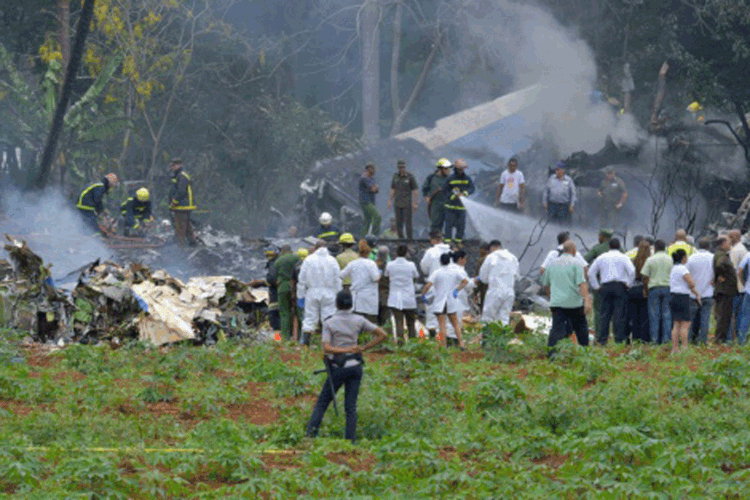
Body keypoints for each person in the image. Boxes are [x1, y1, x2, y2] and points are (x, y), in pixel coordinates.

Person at [305, 290, 387, 443]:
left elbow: (327, 348)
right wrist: (363, 348)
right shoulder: (359, 320)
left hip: (337, 367)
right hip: (355, 366)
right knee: (351, 406)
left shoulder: (329, 322)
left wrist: (344, 350)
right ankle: (351, 441)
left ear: (336, 304)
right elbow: (382, 334)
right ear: (351, 304)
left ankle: (310, 437)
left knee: (322, 403)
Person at [541, 241, 592, 351]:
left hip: (557, 303)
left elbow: (546, 284)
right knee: (581, 327)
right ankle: (585, 351)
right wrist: (587, 300)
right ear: (574, 251)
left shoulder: (551, 264)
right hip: (574, 303)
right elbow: (582, 283)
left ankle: (552, 353)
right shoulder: (577, 263)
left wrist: (551, 296)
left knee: (556, 328)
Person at [588, 238, 635, 345]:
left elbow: (591, 272)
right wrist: (628, 284)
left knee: (604, 314)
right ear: (619, 246)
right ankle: (619, 340)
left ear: (609, 246)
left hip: (605, 286)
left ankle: (602, 339)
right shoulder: (624, 257)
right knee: (619, 314)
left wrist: (596, 286)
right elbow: (632, 271)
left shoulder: (602, 257)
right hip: (620, 287)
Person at [297, 240, 343, 346]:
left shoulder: (308, 260)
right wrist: (338, 293)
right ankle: (328, 343)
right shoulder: (332, 260)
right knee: (328, 317)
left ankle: (305, 344)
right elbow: (337, 279)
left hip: (312, 292)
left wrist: (301, 295)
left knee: (309, 318)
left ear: (315, 247)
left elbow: (302, 280)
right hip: (329, 293)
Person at [422, 252, 470, 348]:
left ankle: (443, 345)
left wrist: (423, 294)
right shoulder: (454, 272)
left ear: (440, 261)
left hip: (440, 302)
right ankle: (462, 344)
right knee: (456, 324)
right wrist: (457, 289)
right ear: (450, 261)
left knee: (442, 326)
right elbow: (465, 281)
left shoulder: (437, 272)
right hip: (451, 301)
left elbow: (428, 285)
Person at [478, 240, 520, 326]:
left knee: (488, 318)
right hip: (509, 292)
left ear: (491, 249)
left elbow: (483, 278)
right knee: (504, 318)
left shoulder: (490, 257)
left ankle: (487, 338)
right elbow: (517, 276)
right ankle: (501, 338)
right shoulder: (513, 258)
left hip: (495, 291)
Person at [419, 230, 451, 338]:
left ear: (432, 240)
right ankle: (445, 336)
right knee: (446, 312)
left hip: (434, 285)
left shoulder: (431, 252)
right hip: (448, 286)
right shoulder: (450, 251)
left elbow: (424, 268)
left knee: (432, 312)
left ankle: (433, 335)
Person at [385, 244, 420, 343]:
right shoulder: (411, 265)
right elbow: (416, 276)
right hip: (409, 298)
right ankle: (413, 345)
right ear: (406, 253)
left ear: (396, 253)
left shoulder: (390, 264)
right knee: (411, 323)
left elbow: (386, 275)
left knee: (398, 322)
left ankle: (400, 344)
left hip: (395, 298)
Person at [340, 240, 380, 324]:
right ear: (368, 253)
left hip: (356, 297)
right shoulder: (371, 264)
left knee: (356, 322)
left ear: (359, 253)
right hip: (369, 297)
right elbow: (376, 278)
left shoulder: (353, 263)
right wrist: (380, 273)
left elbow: (341, 275)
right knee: (369, 323)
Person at [642, 239, 673, 344]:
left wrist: (645, 290)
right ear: (665, 248)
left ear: (654, 248)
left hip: (654, 289)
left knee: (654, 315)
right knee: (667, 314)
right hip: (667, 288)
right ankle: (666, 339)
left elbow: (645, 276)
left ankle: (654, 340)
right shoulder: (670, 259)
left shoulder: (650, 259)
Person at [669, 249, 701, 354]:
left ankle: (674, 348)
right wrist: (696, 293)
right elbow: (691, 283)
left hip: (673, 296)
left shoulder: (673, 269)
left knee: (676, 323)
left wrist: (696, 293)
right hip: (683, 297)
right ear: (683, 258)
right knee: (685, 323)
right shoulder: (683, 269)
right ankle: (684, 347)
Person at [686, 238, 714, 345]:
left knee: (691, 318)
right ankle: (702, 341)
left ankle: (689, 340)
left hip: (693, 294)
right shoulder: (713, 258)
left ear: (698, 246)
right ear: (709, 246)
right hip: (708, 293)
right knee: (705, 318)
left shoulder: (691, 258)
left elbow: (686, 274)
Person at [442, 158, 475, 245]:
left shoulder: (467, 178)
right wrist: (453, 196)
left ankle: (458, 243)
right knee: (448, 226)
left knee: (461, 227)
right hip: (450, 208)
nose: (462, 171)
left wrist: (465, 193)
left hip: (461, 208)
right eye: (460, 169)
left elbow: (472, 188)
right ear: (456, 169)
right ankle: (447, 243)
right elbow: (445, 190)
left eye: (463, 169)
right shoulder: (450, 178)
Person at [445, 249, 474, 347]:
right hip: (457, 298)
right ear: (460, 259)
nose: (466, 261)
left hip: (448, 297)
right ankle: (453, 342)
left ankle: (448, 340)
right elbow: (468, 285)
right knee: (456, 320)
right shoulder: (459, 270)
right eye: (465, 259)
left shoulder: (448, 268)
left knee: (448, 320)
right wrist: (475, 281)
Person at [714, 235, 737, 344]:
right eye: (728, 242)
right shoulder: (722, 255)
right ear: (723, 244)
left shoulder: (721, 254)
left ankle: (721, 339)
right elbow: (719, 266)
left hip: (725, 290)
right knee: (723, 316)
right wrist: (722, 274)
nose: (730, 244)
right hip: (725, 290)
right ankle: (720, 340)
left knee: (723, 315)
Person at [274, 245, 301, 341]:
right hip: (297, 287)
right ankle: (299, 337)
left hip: (283, 287)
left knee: (284, 312)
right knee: (299, 313)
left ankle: (285, 338)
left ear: (282, 251)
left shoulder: (278, 261)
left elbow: (274, 276)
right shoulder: (297, 258)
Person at [168, 158, 197, 246]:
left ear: (179, 165)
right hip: (182, 205)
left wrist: (175, 201)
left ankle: (180, 246)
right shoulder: (178, 175)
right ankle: (192, 243)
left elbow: (181, 191)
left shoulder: (182, 176)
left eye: (174, 165)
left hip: (182, 205)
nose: (172, 167)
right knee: (187, 225)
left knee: (180, 226)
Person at [388, 160, 419, 240]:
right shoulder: (395, 176)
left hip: (407, 203)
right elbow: (392, 189)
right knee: (399, 223)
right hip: (397, 203)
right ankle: (401, 239)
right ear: (398, 167)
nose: (402, 168)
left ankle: (409, 240)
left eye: (403, 167)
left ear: (405, 167)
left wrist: (415, 203)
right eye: (400, 167)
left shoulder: (410, 176)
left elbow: (415, 190)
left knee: (408, 223)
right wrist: (389, 201)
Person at [627, 240, 651, 343]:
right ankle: (644, 338)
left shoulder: (633, 262)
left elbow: (630, 277)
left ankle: (635, 337)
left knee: (634, 315)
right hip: (645, 290)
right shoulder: (650, 261)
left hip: (633, 290)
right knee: (645, 315)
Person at [422, 158, 452, 233]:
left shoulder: (450, 178)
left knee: (448, 224)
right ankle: (435, 240)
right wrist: (427, 197)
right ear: (440, 169)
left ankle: (446, 241)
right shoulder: (431, 177)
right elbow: (425, 188)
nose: (448, 170)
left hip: (447, 204)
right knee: (435, 224)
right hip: (435, 204)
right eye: (446, 169)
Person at [728, 229, 748, 341]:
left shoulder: (736, 250)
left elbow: (734, 269)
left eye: (730, 237)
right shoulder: (743, 249)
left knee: (732, 314)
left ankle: (731, 339)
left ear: (735, 237)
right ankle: (741, 339)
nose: (729, 239)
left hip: (736, 287)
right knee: (741, 314)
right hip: (742, 287)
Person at [291, 247, 309, 340]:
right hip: (310, 294)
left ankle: (299, 338)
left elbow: (293, 281)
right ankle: (307, 337)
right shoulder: (310, 265)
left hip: (300, 294)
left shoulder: (296, 266)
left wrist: (293, 294)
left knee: (299, 316)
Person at [358, 163, 380, 237]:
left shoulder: (372, 178)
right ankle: (374, 235)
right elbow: (373, 189)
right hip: (365, 202)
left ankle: (363, 238)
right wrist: (374, 188)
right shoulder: (364, 178)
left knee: (368, 221)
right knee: (377, 216)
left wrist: (375, 188)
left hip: (370, 201)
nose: (373, 171)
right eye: (371, 169)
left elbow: (376, 190)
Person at [735, 249, 750, 345]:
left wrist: (743, 283)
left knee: (745, 316)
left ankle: (742, 342)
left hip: (749, 290)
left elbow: (739, 270)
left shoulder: (748, 255)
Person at [264, 247, 281, 333]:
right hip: (283, 296)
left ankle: (278, 341)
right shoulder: (281, 263)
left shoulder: (273, 263)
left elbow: (272, 278)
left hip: (275, 296)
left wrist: (268, 281)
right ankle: (286, 340)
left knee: (275, 321)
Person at [374, 245, 391, 325]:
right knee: (383, 321)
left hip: (374, 295)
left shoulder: (373, 265)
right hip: (385, 296)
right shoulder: (389, 266)